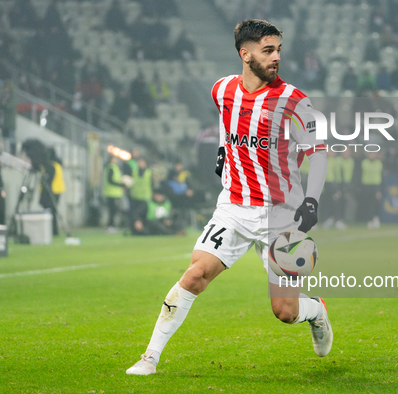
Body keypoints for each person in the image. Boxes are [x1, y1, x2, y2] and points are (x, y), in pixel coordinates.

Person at [127, 19, 332, 376]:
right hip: (233, 208)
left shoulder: (294, 100)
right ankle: (150, 358)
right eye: (268, 51)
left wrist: (311, 202)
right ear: (245, 53)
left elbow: (319, 153)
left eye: (278, 50)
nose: (276, 58)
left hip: (281, 215)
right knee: (193, 276)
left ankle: (316, 311)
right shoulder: (222, 90)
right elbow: (226, 120)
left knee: (285, 311)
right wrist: (224, 151)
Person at [360, 151, 383, 229]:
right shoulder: (364, 163)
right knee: (367, 204)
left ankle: (375, 218)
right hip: (366, 185)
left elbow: (381, 175)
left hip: (376, 185)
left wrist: (379, 189)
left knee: (375, 203)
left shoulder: (379, 163)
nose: (371, 155)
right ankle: (369, 220)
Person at [103, 154, 125, 233]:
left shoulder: (114, 168)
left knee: (114, 210)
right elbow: (111, 180)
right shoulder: (111, 168)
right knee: (113, 210)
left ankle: (111, 226)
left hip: (115, 193)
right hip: (111, 193)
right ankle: (110, 226)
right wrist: (121, 184)